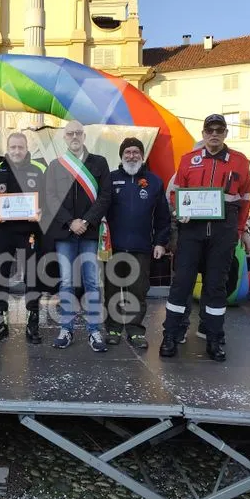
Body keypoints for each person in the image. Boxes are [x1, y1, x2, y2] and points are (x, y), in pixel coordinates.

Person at [160, 114, 250, 362]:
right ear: (203, 134)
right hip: (192, 231)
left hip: (224, 231)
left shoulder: (241, 162)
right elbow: (175, 194)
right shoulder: (188, 160)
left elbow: (245, 201)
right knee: (182, 284)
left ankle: (214, 338)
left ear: (225, 133)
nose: (214, 134)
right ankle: (170, 335)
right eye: (209, 130)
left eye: (219, 130)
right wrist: (180, 212)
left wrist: (241, 231)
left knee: (216, 287)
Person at [45, 121, 111, 352]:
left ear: (84, 136)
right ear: (64, 137)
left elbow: (105, 196)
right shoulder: (55, 165)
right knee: (66, 282)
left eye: (78, 133)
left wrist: (86, 221)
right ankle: (66, 328)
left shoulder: (99, 163)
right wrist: (70, 222)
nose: (74, 136)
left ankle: (94, 331)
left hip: (90, 232)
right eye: (70, 133)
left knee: (92, 282)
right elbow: (50, 197)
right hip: (65, 233)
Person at [0, 132, 46, 344]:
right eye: (13, 147)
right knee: (0, 275)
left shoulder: (38, 170)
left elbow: (47, 199)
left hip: (30, 232)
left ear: (27, 149)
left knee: (32, 278)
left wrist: (43, 211)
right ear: (7, 149)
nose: (17, 151)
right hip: (3, 231)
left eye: (20, 147)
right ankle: (0, 323)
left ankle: (32, 324)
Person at [103, 137, 171, 349]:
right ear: (121, 156)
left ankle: (135, 330)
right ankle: (113, 328)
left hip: (141, 248)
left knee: (138, 292)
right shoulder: (110, 179)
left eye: (136, 152)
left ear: (142, 156)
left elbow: (162, 217)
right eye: (128, 152)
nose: (131, 156)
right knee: (112, 291)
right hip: (112, 248)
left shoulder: (154, 182)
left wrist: (160, 243)